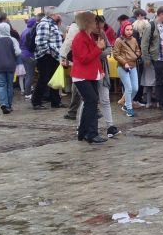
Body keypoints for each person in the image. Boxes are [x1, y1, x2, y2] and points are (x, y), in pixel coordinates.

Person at [70, 12, 107, 144]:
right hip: (82, 75)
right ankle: (90, 133)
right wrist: (98, 48)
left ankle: (85, 132)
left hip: (90, 74)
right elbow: (84, 59)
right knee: (91, 102)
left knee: (90, 103)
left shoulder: (89, 36)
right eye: (93, 21)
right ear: (87, 23)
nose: (95, 23)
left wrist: (100, 70)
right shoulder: (79, 38)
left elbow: (94, 58)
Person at [141, 5, 163, 110]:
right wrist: (146, 58)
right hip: (158, 57)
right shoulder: (150, 26)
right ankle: (162, 102)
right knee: (160, 81)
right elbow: (144, 44)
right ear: (161, 14)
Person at [31, 9, 65, 110]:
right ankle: (36, 102)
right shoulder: (44, 24)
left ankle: (55, 102)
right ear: (53, 14)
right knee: (43, 79)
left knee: (53, 79)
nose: (59, 15)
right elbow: (41, 41)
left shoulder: (52, 24)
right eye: (58, 13)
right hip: (46, 56)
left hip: (53, 56)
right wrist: (49, 52)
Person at [0, 22, 20, 114]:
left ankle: (3, 103)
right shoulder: (13, 39)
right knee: (9, 85)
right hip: (10, 65)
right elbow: (18, 52)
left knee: (1, 85)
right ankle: (9, 105)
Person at [112, 21, 141, 117]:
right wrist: (124, 63)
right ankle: (129, 108)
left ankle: (125, 104)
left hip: (133, 65)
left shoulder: (134, 39)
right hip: (123, 67)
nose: (129, 31)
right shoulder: (118, 40)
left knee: (135, 88)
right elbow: (116, 54)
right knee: (128, 88)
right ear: (123, 29)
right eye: (127, 29)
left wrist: (137, 55)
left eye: (131, 29)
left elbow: (137, 49)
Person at [19, 17, 38, 98]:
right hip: (29, 55)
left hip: (23, 54)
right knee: (30, 75)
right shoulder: (32, 32)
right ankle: (27, 93)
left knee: (28, 74)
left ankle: (28, 90)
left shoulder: (24, 31)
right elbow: (32, 45)